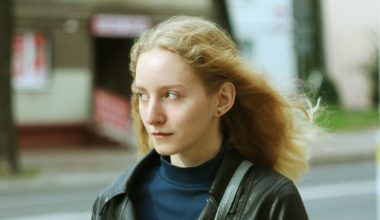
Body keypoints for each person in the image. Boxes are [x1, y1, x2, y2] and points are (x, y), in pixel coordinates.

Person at [92, 15, 319, 220]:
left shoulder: (269, 201)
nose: (151, 116)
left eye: (171, 95)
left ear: (222, 99)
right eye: (142, 95)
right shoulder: (113, 203)